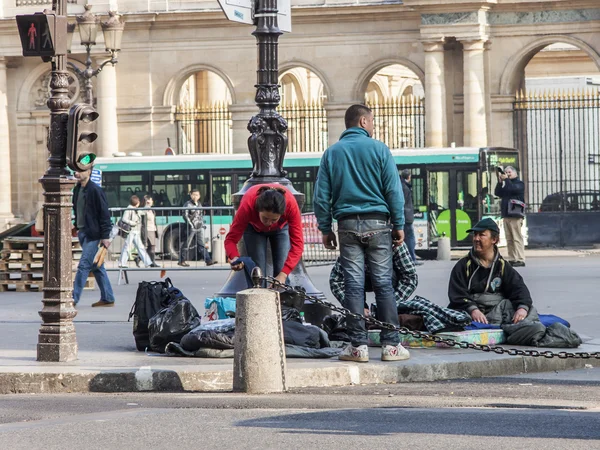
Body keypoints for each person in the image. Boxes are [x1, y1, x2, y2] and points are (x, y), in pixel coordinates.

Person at [314, 104, 409, 363]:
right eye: (373, 120)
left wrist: (325, 228)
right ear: (364, 121)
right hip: (378, 224)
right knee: (383, 285)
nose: (374, 125)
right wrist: (398, 224)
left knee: (353, 287)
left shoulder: (332, 153)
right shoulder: (380, 149)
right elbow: (393, 191)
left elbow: (322, 196)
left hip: (346, 226)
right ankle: (391, 346)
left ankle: (358, 347)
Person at [447, 218, 532, 325]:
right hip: (469, 312)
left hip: (496, 309)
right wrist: (473, 310)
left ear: (494, 240)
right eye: (475, 235)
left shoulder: (503, 266)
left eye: (481, 235)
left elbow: (519, 289)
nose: (476, 239)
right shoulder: (463, 265)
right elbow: (457, 295)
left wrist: (522, 309)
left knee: (528, 312)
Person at [225, 184, 303, 285]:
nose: (269, 223)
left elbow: (298, 245)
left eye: (274, 219)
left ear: (282, 213)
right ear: (258, 210)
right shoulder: (248, 205)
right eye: (265, 218)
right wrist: (234, 257)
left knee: (281, 270)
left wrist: (283, 274)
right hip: (254, 228)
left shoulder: (290, 205)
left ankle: (283, 298)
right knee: (257, 272)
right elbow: (231, 239)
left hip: (281, 228)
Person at [72, 167, 116, 307]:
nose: (77, 173)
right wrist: (76, 225)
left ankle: (73, 299)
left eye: (81, 171)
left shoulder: (95, 190)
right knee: (97, 266)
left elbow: (104, 214)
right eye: (76, 171)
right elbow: (80, 211)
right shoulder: (77, 190)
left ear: (89, 172)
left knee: (84, 265)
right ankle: (108, 298)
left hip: (94, 234)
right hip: (83, 232)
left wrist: (105, 236)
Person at [330, 243, 418, 312]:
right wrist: (356, 307)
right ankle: (358, 314)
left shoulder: (395, 244)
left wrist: (392, 303)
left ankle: (387, 310)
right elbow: (336, 281)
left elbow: (410, 277)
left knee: (387, 309)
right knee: (353, 279)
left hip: (389, 281)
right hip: (360, 280)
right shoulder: (352, 245)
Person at [495, 166, 526, 267]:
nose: (507, 174)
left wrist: (507, 180)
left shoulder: (519, 184)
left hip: (515, 215)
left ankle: (520, 258)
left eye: (509, 172)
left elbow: (512, 189)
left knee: (517, 238)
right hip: (507, 215)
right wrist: (500, 182)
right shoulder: (507, 185)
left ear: (515, 173)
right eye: (506, 172)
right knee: (509, 238)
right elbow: (498, 193)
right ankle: (512, 258)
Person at [178, 189, 214, 267]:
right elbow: (185, 215)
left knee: (201, 244)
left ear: (199, 196)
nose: (195, 196)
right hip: (191, 227)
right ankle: (181, 260)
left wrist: (202, 224)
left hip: (199, 227)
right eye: (194, 194)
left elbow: (200, 215)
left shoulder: (199, 204)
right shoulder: (187, 204)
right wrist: (191, 225)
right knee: (187, 244)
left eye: (197, 195)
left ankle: (208, 260)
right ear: (190, 195)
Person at [119, 195, 155, 269]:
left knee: (140, 247)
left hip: (136, 231)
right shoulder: (129, 209)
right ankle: (122, 263)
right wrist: (132, 223)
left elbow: (143, 212)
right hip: (130, 231)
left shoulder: (136, 209)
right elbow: (124, 219)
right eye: (138, 201)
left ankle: (147, 262)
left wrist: (147, 205)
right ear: (136, 202)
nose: (139, 203)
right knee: (127, 246)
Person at [400, 169, 421, 265]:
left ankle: (409, 258)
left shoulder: (402, 185)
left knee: (406, 238)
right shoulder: (405, 187)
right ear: (409, 177)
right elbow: (404, 203)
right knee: (410, 238)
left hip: (405, 216)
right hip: (406, 216)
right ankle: (412, 259)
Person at [139, 195, 159, 267]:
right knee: (151, 247)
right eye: (150, 200)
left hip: (152, 229)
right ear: (147, 201)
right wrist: (146, 205)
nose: (152, 201)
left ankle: (139, 258)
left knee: (150, 247)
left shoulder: (152, 210)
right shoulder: (144, 210)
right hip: (147, 230)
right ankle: (152, 262)